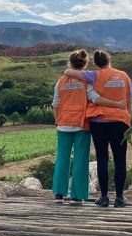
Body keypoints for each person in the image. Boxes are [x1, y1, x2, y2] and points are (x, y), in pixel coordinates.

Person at [51, 49, 127, 204]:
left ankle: (59, 193)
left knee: (62, 158)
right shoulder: (87, 81)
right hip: (82, 124)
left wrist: (57, 121)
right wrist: (118, 105)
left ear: (70, 62)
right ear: (85, 64)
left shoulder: (61, 81)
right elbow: (95, 98)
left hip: (63, 123)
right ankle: (77, 196)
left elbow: (55, 103)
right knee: (80, 159)